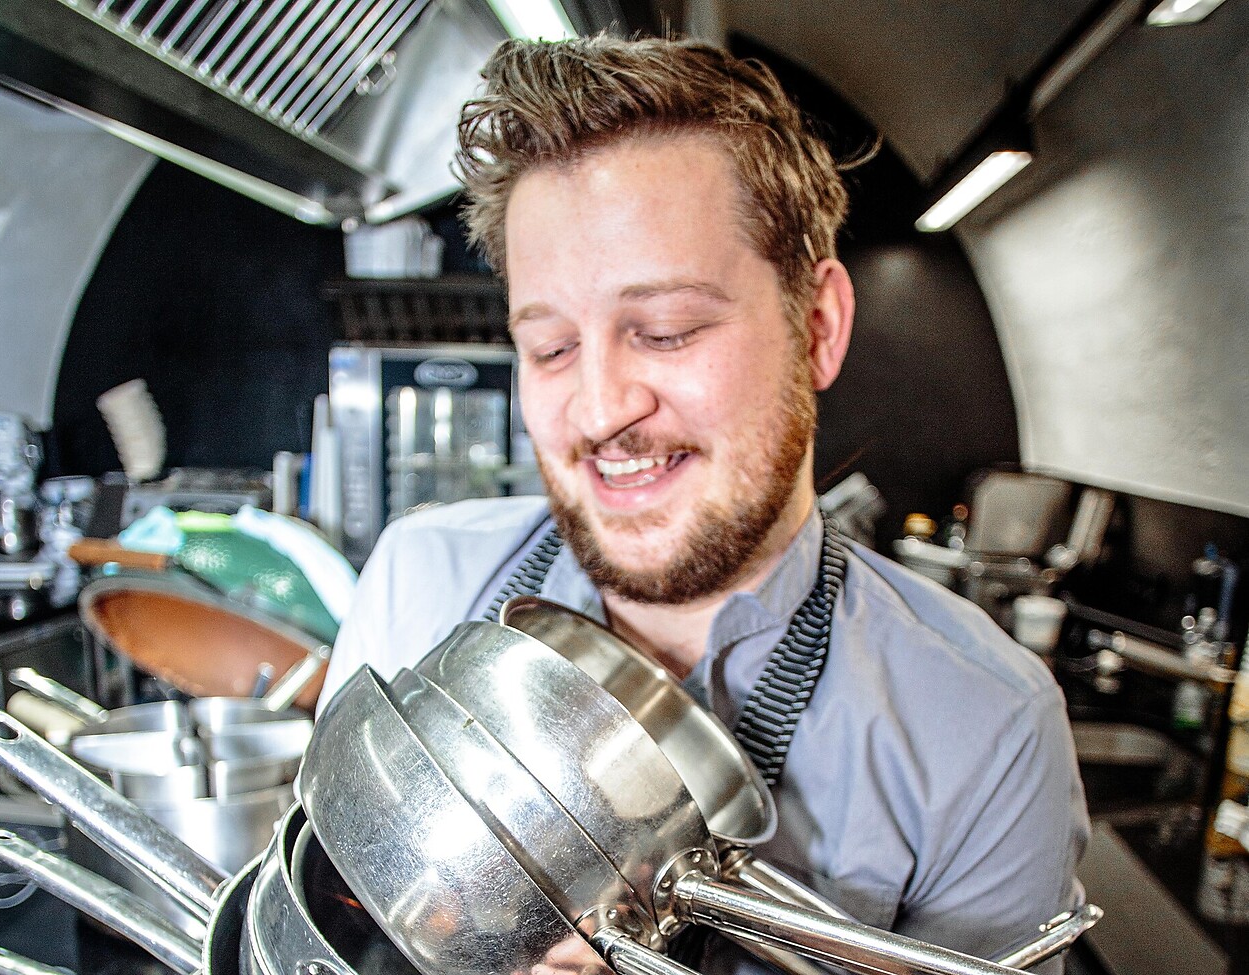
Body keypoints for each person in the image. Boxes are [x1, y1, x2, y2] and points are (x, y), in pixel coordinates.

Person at [319, 33, 1089, 974]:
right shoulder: (420, 582)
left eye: (667, 329)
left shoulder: (986, 727)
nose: (600, 410)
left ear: (818, 326)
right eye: (551, 347)